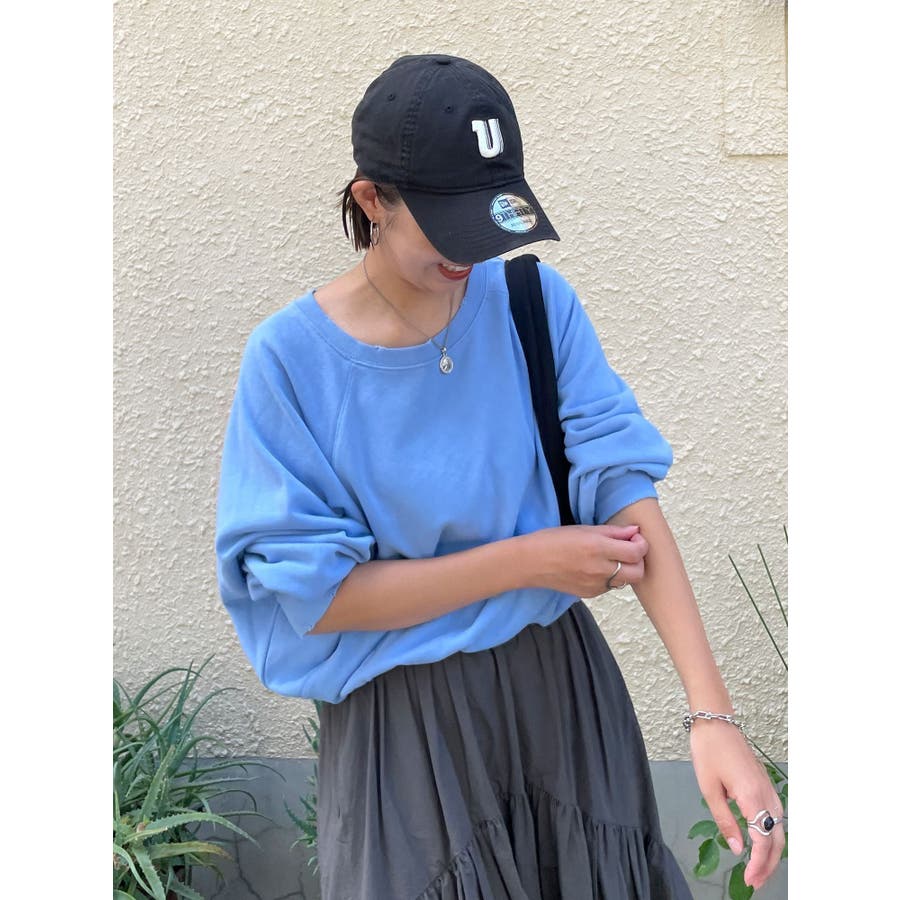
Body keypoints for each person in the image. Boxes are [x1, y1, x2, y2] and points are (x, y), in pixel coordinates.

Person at [215, 53, 785, 900]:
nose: (472, 253)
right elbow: (320, 597)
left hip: (564, 698)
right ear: (372, 201)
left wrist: (713, 716)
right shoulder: (292, 361)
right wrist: (529, 561)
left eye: (489, 219)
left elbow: (624, 491)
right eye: (448, 225)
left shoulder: (531, 304)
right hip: (404, 733)